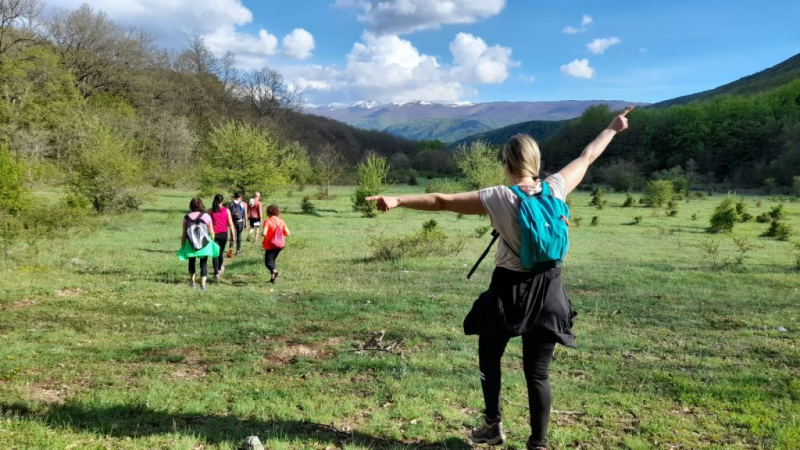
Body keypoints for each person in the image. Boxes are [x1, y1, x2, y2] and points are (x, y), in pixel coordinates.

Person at [367, 108, 633, 450]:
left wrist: (399, 199)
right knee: (538, 374)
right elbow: (588, 154)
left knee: (489, 356)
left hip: (508, 292)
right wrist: (612, 127)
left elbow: (442, 201)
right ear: (536, 162)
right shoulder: (556, 187)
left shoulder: (499, 197)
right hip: (550, 290)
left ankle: (492, 425)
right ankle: (538, 444)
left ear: (506, 163)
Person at [177, 197, 218, 291]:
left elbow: (184, 234)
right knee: (203, 264)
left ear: (191, 206)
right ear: (201, 205)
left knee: (191, 263)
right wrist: (211, 241)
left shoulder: (186, 217)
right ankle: (203, 286)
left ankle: (192, 283)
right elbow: (211, 232)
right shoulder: (206, 216)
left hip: (191, 244)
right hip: (204, 244)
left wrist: (182, 245)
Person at [209, 194, 236, 281]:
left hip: (214, 234)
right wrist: (233, 236)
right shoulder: (227, 210)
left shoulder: (210, 210)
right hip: (224, 234)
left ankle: (216, 273)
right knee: (220, 253)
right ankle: (220, 268)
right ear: (222, 201)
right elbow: (231, 224)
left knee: (214, 254)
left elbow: (205, 221)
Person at [262, 204, 290, 284]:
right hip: (280, 245)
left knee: (268, 263)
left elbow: (264, 233)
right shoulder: (281, 221)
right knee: (272, 261)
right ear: (277, 212)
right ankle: (272, 279)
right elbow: (287, 233)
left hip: (270, 245)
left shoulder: (268, 221)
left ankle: (276, 272)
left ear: (268, 212)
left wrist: (264, 234)